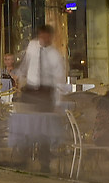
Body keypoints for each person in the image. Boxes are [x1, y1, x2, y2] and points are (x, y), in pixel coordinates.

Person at [14, 23, 68, 174]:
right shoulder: (32, 46)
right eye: (40, 36)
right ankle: (23, 158)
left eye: (45, 36)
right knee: (26, 125)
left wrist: (57, 102)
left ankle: (45, 162)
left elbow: (59, 80)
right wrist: (20, 75)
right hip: (31, 90)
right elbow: (26, 62)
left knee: (43, 128)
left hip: (46, 92)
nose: (42, 39)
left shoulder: (55, 55)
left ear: (51, 37)